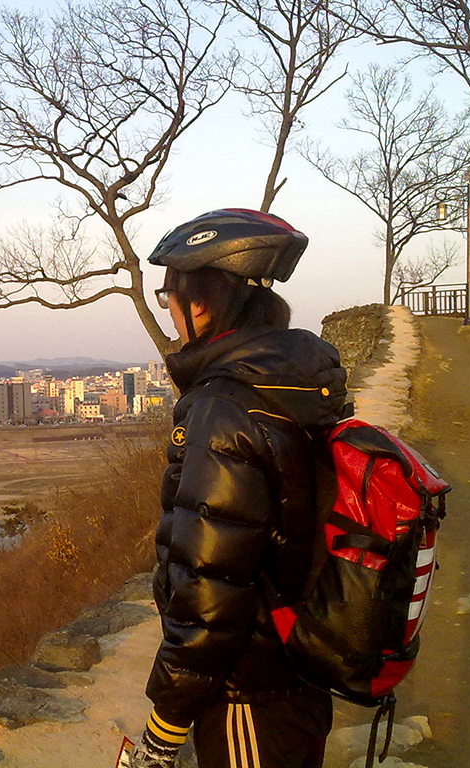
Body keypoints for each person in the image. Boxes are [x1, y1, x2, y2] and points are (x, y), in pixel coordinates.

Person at [129, 209, 350, 768]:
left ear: (200, 302)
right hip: (298, 671)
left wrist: (165, 724)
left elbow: (210, 588)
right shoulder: (296, 379)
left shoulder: (224, 405)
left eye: (169, 297)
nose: (171, 313)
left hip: (247, 695)